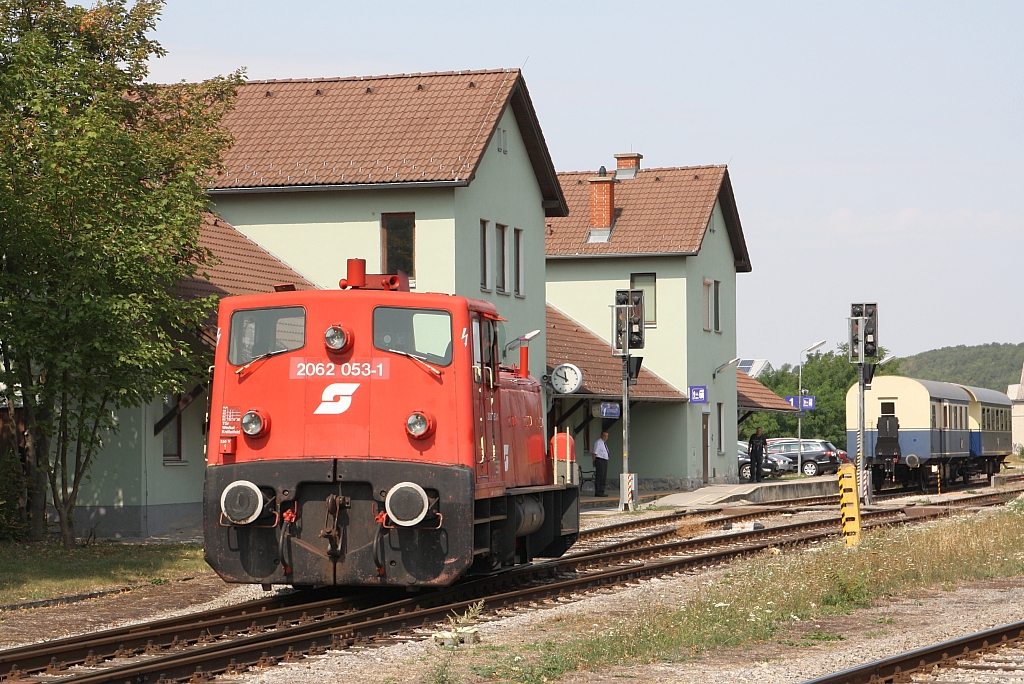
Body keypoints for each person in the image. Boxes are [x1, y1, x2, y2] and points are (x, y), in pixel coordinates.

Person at [593, 430, 610, 497]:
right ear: (601, 435)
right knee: (600, 476)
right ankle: (598, 491)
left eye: (607, 436)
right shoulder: (598, 443)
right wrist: (594, 462)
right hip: (600, 460)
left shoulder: (604, 443)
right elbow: (594, 453)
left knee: (603, 477)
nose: (605, 437)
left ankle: (602, 491)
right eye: (604, 436)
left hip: (604, 461)